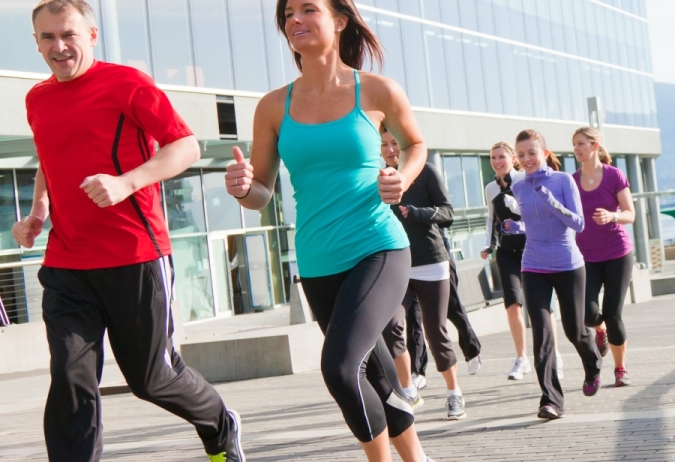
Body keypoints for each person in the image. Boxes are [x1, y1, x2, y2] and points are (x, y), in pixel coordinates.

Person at [13, 2, 244, 460]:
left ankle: (220, 424)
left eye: (68, 34)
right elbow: (49, 160)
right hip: (67, 262)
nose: (58, 47)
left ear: (92, 35)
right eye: (46, 38)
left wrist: (125, 183)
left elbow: (186, 145)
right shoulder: (37, 99)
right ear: (36, 42)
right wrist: (38, 211)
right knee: (70, 378)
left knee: (152, 379)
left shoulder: (126, 84)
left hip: (135, 254)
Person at [223, 0, 431, 460]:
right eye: (288, 12)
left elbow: (417, 143)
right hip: (317, 260)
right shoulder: (274, 106)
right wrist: (242, 189)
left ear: (338, 21)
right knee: (372, 370)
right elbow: (261, 192)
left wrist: (403, 178)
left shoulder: (376, 90)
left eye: (307, 9)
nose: (294, 19)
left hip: (378, 247)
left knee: (339, 369)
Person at [379, 126, 470, 420]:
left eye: (395, 143)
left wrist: (416, 212)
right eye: (384, 145)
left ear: (405, 145)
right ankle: (408, 390)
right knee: (391, 325)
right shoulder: (378, 178)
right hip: (396, 264)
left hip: (431, 261)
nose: (391, 150)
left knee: (435, 332)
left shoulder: (426, 171)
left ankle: (454, 393)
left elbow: (448, 213)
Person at [512, 129, 602, 419]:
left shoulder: (563, 181)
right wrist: (517, 228)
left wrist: (553, 202)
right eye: (522, 154)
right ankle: (550, 400)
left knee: (574, 330)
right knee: (542, 334)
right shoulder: (519, 187)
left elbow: (578, 224)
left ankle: (593, 363)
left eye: (532, 153)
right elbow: (533, 224)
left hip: (567, 263)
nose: (527, 159)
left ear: (545, 154)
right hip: (533, 265)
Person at [570, 127, 637, 388]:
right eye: (574, 144)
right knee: (588, 314)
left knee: (613, 314)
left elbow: (630, 214)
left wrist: (613, 216)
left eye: (581, 143)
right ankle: (600, 332)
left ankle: (620, 369)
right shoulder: (572, 181)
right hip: (586, 256)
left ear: (595, 145)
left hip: (617, 253)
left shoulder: (613, 175)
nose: (576, 149)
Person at [480, 141, 533, 381]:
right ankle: (522, 358)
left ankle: (553, 355)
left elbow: (536, 214)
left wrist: (518, 209)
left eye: (501, 156)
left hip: (532, 249)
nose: (497, 161)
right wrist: (488, 245)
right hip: (507, 253)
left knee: (540, 306)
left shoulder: (525, 181)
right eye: (493, 157)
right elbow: (491, 219)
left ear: (513, 158)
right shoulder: (491, 188)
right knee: (513, 305)